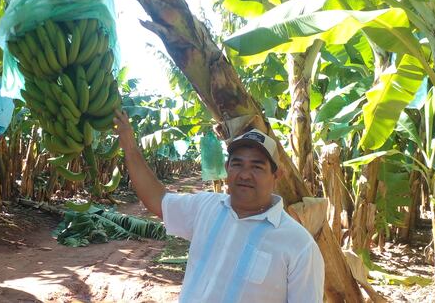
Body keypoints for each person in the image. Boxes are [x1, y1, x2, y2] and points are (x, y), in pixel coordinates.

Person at [112, 110, 324, 303]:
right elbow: (157, 199)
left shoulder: (298, 245)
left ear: (276, 176)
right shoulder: (206, 207)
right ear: (226, 169)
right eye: (237, 164)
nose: (244, 174)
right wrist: (130, 148)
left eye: (257, 167)